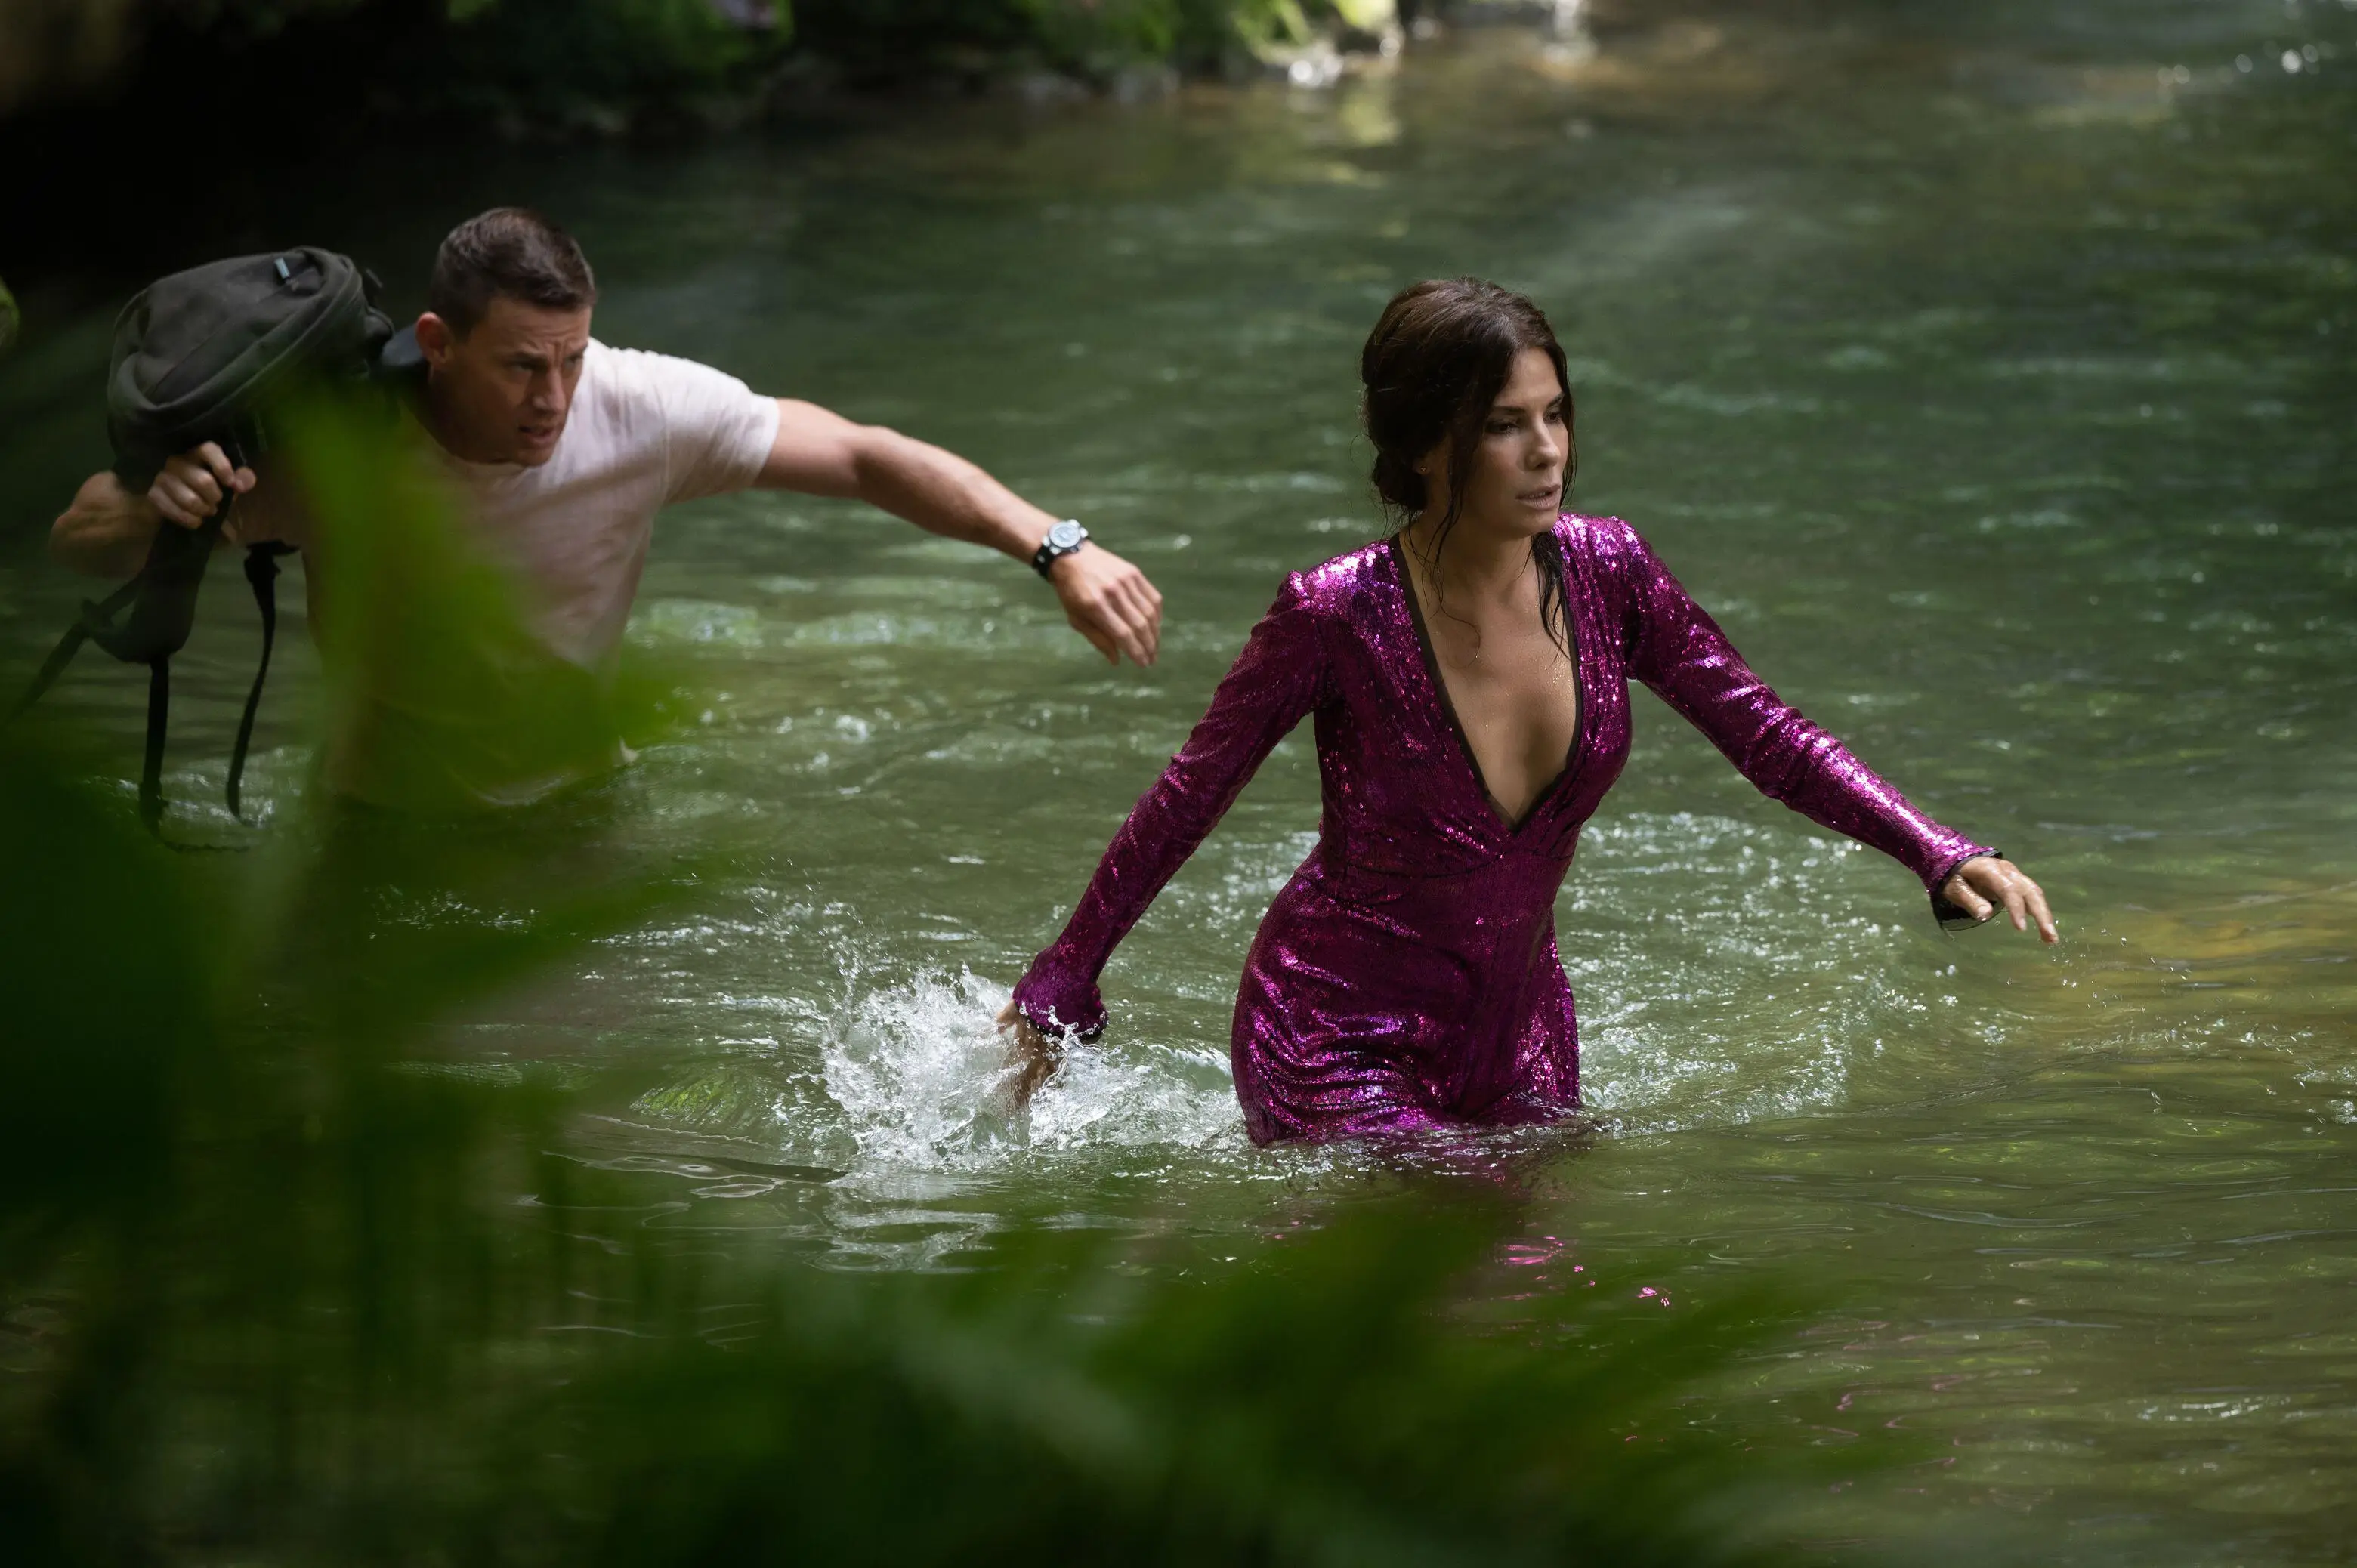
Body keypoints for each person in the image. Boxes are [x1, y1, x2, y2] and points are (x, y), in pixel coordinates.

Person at [999, 276, 2056, 1144]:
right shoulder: (1332, 614)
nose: (1547, 449)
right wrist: (1063, 979)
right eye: (1506, 426)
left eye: (1556, 415)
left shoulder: (1612, 572)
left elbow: (1766, 734)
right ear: (1422, 444)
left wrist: (1933, 848)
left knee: (1560, 1301)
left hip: (1519, 1035)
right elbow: (1191, 798)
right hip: (1334, 1033)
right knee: (1485, 1282)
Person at [48, 206, 1163, 807]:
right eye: (523, 367)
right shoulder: (339, 453)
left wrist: (1052, 544)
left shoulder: (639, 406)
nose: (554, 399)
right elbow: (82, 539)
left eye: (571, 358)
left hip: (581, 803)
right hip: (377, 820)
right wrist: (161, 505)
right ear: (436, 345)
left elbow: (867, 457)